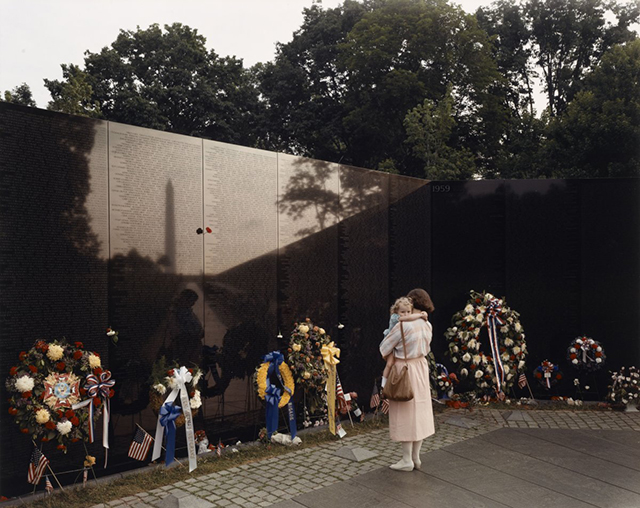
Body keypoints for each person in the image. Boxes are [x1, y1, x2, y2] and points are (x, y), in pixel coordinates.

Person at [379, 288, 435, 472]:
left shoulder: (402, 326)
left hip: (404, 369)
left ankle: (406, 460)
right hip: (421, 367)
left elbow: (384, 348)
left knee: (404, 413)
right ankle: (416, 457)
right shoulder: (427, 325)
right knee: (420, 413)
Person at [381, 297, 428, 392]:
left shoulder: (407, 321)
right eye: (402, 312)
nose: (405, 314)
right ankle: (383, 385)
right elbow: (408, 318)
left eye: (408, 311)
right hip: (391, 343)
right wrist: (421, 315)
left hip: (398, 343)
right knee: (390, 364)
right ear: (396, 311)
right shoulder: (396, 318)